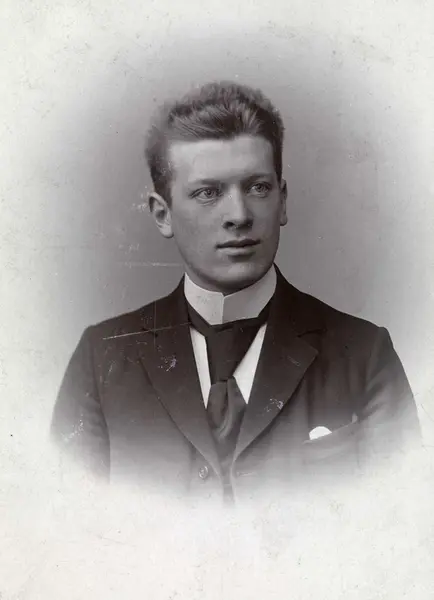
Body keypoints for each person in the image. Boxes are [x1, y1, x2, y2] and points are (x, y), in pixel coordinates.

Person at [50, 81, 420, 502]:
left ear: (282, 201)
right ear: (162, 214)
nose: (239, 215)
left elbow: (397, 521)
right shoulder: (101, 359)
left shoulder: (365, 355)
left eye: (257, 187)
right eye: (208, 193)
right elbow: (73, 527)